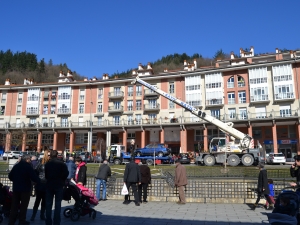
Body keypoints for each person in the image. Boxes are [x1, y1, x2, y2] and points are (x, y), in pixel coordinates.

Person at [8, 155, 40, 225]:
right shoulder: (28, 167)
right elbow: (34, 177)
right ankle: (22, 220)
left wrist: (15, 180)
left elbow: (10, 176)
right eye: (29, 159)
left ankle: (11, 221)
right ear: (27, 160)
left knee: (14, 206)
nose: (30, 161)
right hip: (25, 189)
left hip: (16, 188)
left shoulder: (16, 166)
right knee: (23, 206)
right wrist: (38, 181)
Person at [45, 150, 69, 225]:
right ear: (57, 155)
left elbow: (46, 175)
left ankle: (48, 221)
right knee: (58, 204)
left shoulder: (48, 164)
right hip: (59, 184)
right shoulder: (61, 164)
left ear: (50, 156)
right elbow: (66, 173)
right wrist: (62, 179)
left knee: (48, 204)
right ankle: (56, 222)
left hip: (49, 185)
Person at [30, 150, 50, 221]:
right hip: (40, 183)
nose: (49, 156)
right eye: (48, 155)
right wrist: (35, 180)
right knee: (37, 200)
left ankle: (42, 215)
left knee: (44, 201)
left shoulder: (50, 163)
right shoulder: (41, 162)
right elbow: (35, 171)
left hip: (46, 184)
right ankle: (33, 215)